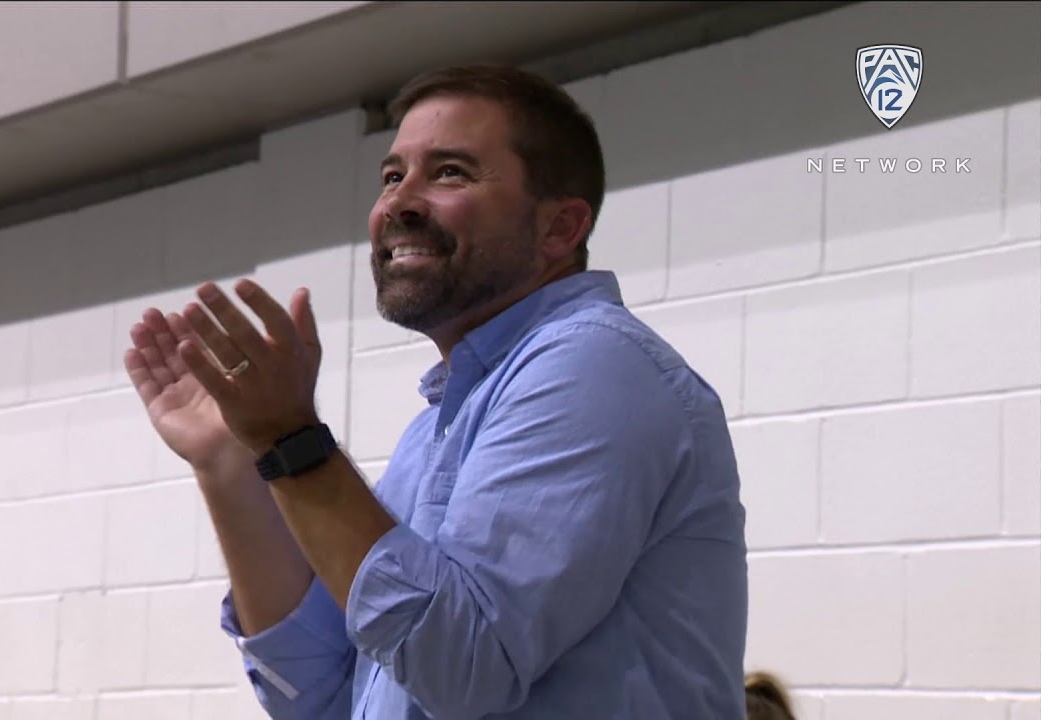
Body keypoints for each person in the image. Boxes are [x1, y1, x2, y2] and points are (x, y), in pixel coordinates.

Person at [123, 64, 748, 719]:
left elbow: (464, 667)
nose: (400, 202)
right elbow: (323, 699)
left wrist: (292, 443)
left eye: (449, 172)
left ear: (559, 230)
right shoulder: (433, 433)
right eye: (392, 176)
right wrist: (234, 462)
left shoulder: (595, 364)